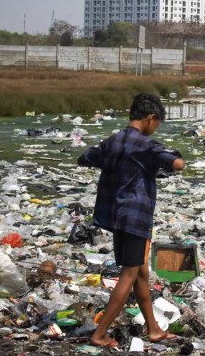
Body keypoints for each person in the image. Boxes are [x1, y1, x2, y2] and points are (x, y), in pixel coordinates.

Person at [78, 94, 185, 348]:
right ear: (151, 118)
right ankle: (100, 333)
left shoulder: (112, 141)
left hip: (115, 216)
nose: (155, 128)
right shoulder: (147, 146)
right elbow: (177, 164)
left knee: (139, 272)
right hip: (136, 217)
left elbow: (85, 157)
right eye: (156, 123)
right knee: (129, 273)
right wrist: (171, 160)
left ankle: (154, 328)